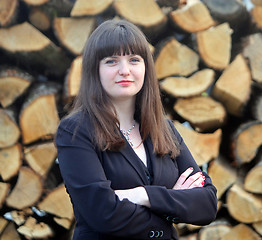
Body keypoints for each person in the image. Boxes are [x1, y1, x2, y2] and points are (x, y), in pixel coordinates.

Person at [55, 19, 217, 240]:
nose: (125, 70)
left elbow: (207, 204)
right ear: (95, 70)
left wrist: (142, 195)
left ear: (145, 68)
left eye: (134, 60)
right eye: (112, 61)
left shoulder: (164, 129)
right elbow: (102, 213)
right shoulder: (75, 131)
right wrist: (170, 205)